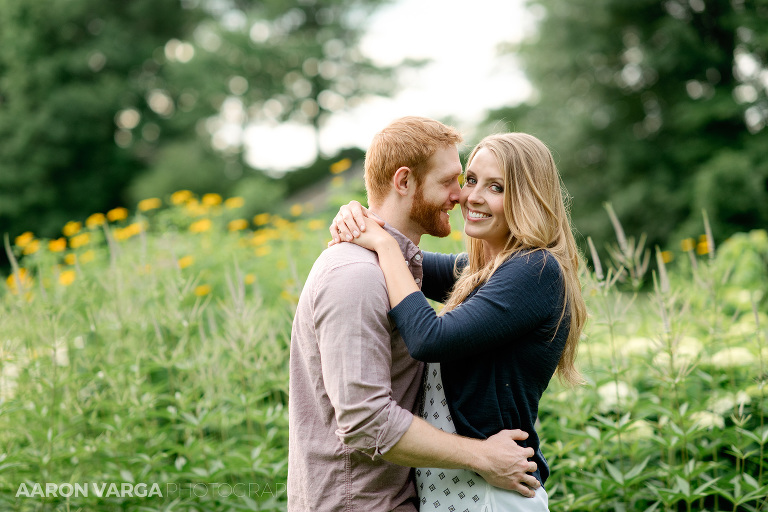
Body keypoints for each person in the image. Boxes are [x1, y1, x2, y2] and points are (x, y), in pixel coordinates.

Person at [288, 118, 541, 512]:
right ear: (403, 182)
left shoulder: (525, 270)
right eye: (453, 181)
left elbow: (433, 322)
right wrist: (481, 455)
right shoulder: (356, 277)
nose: (461, 196)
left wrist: (378, 235)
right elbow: (365, 420)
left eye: (487, 185)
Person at [330, 132, 588, 511]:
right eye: (470, 180)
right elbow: (412, 260)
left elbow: (429, 338)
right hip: (454, 491)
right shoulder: (485, 271)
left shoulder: (536, 270)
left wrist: (382, 244)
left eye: (496, 187)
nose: (472, 197)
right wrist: (360, 216)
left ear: (529, 197)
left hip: (491, 495)